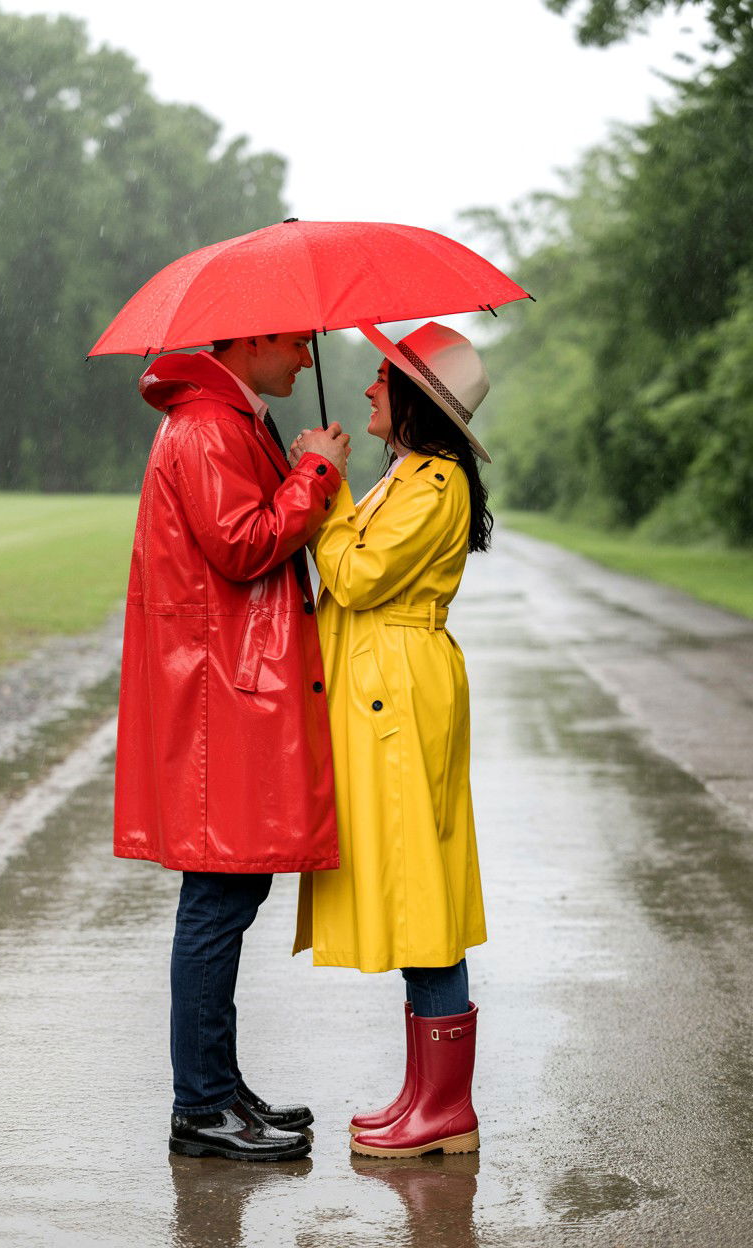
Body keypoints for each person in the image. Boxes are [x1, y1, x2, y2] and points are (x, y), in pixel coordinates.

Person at [114, 331, 349, 1162]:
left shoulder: (225, 418)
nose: (307, 362)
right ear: (251, 340)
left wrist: (297, 468)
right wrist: (314, 472)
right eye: (296, 344)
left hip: (223, 685)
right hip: (221, 692)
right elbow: (243, 544)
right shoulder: (211, 427)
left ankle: (219, 1087)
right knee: (217, 900)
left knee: (229, 896)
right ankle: (201, 1104)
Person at [292, 321, 491, 1159]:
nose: (370, 387)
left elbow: (358, 574)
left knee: (424, 895)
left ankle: (447, 1111)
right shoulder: (408, 474)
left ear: (414, 396)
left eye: (383, 376)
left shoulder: (436, 480)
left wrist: (325, 485)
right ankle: (425, 1096)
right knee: (416, 891)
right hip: (389, 691)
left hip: (404, 694)